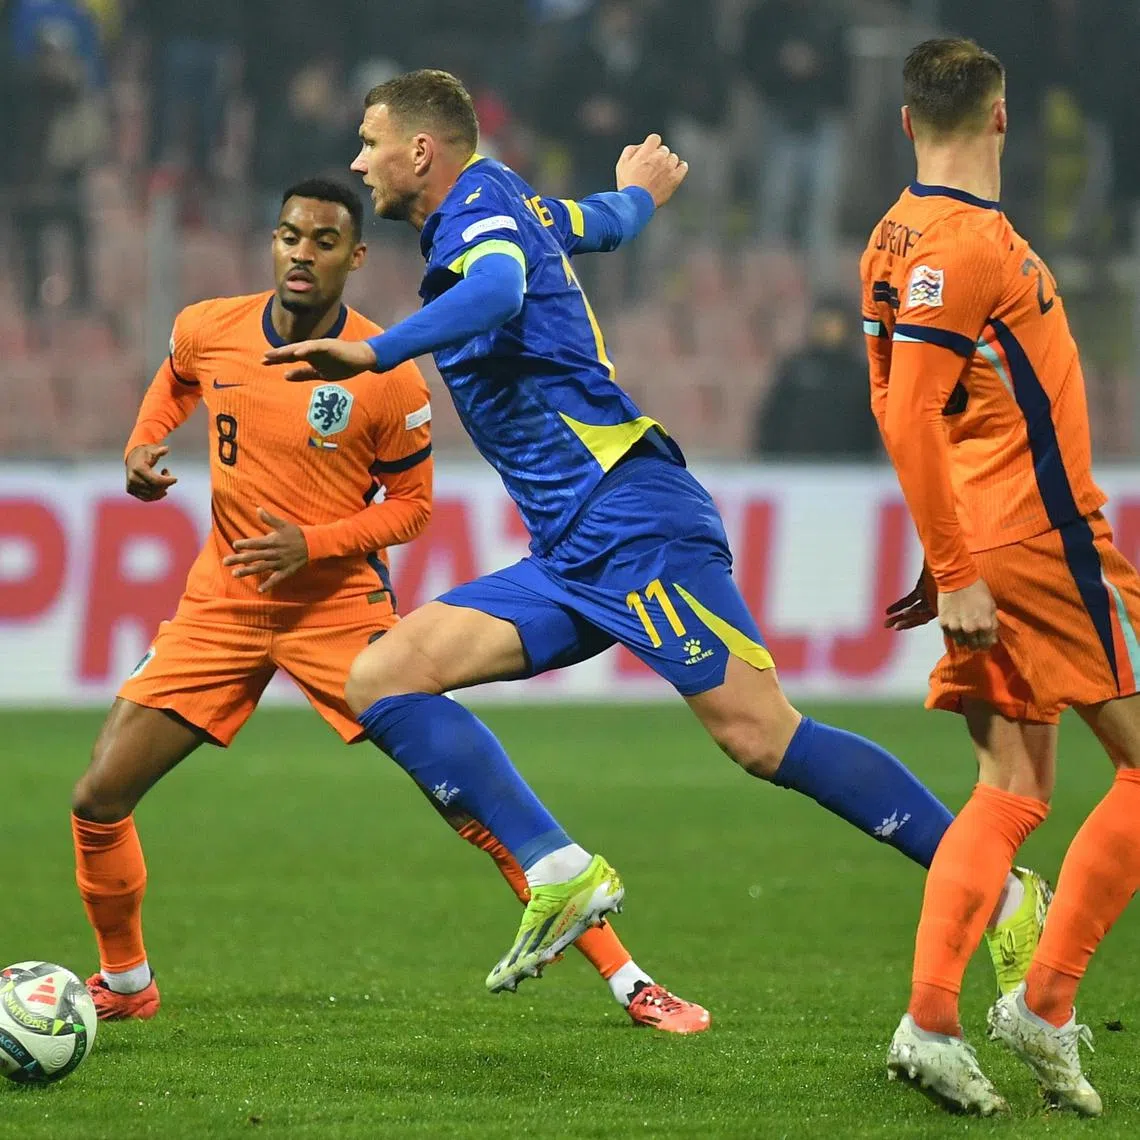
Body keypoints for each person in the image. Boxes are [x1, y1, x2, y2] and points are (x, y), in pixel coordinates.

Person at [265, 70, 1046, 998]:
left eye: (370, 140)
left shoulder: (478, 216)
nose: (360, 160)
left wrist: (376, 347)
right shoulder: (501, 199)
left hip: (632, 522)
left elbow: (504, 290)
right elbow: (594, 224)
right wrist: (640, 191)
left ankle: (1000, 892)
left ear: (421, 151)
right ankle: (560, 872)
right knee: (382, 676)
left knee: (763, 739)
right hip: (570, 549)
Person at [71, 177, 708, 1035]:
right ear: (273, 241)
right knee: (99, 798)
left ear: (355, 257)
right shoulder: (208, 326)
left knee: (468, 805)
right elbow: (178, 376)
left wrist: (315, 543)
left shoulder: (386, 372)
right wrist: (143, 443)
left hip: (339, 613)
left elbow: (411, 509)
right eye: (290, 235)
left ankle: (632, 982)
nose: (303, 252)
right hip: (221, 603)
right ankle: (126, 980)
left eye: (324, 241)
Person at [864, 38, 1140, 1117]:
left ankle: (931, 1023)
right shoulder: (968, 247)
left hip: (993, 536)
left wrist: (952, 554)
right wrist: (958, 563)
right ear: (1004, 118)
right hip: (1038, 538)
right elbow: (905, 411)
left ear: (904, 122)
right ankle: (1046, 1001)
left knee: (1013, 790)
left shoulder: (891, 235)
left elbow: (908, 403)